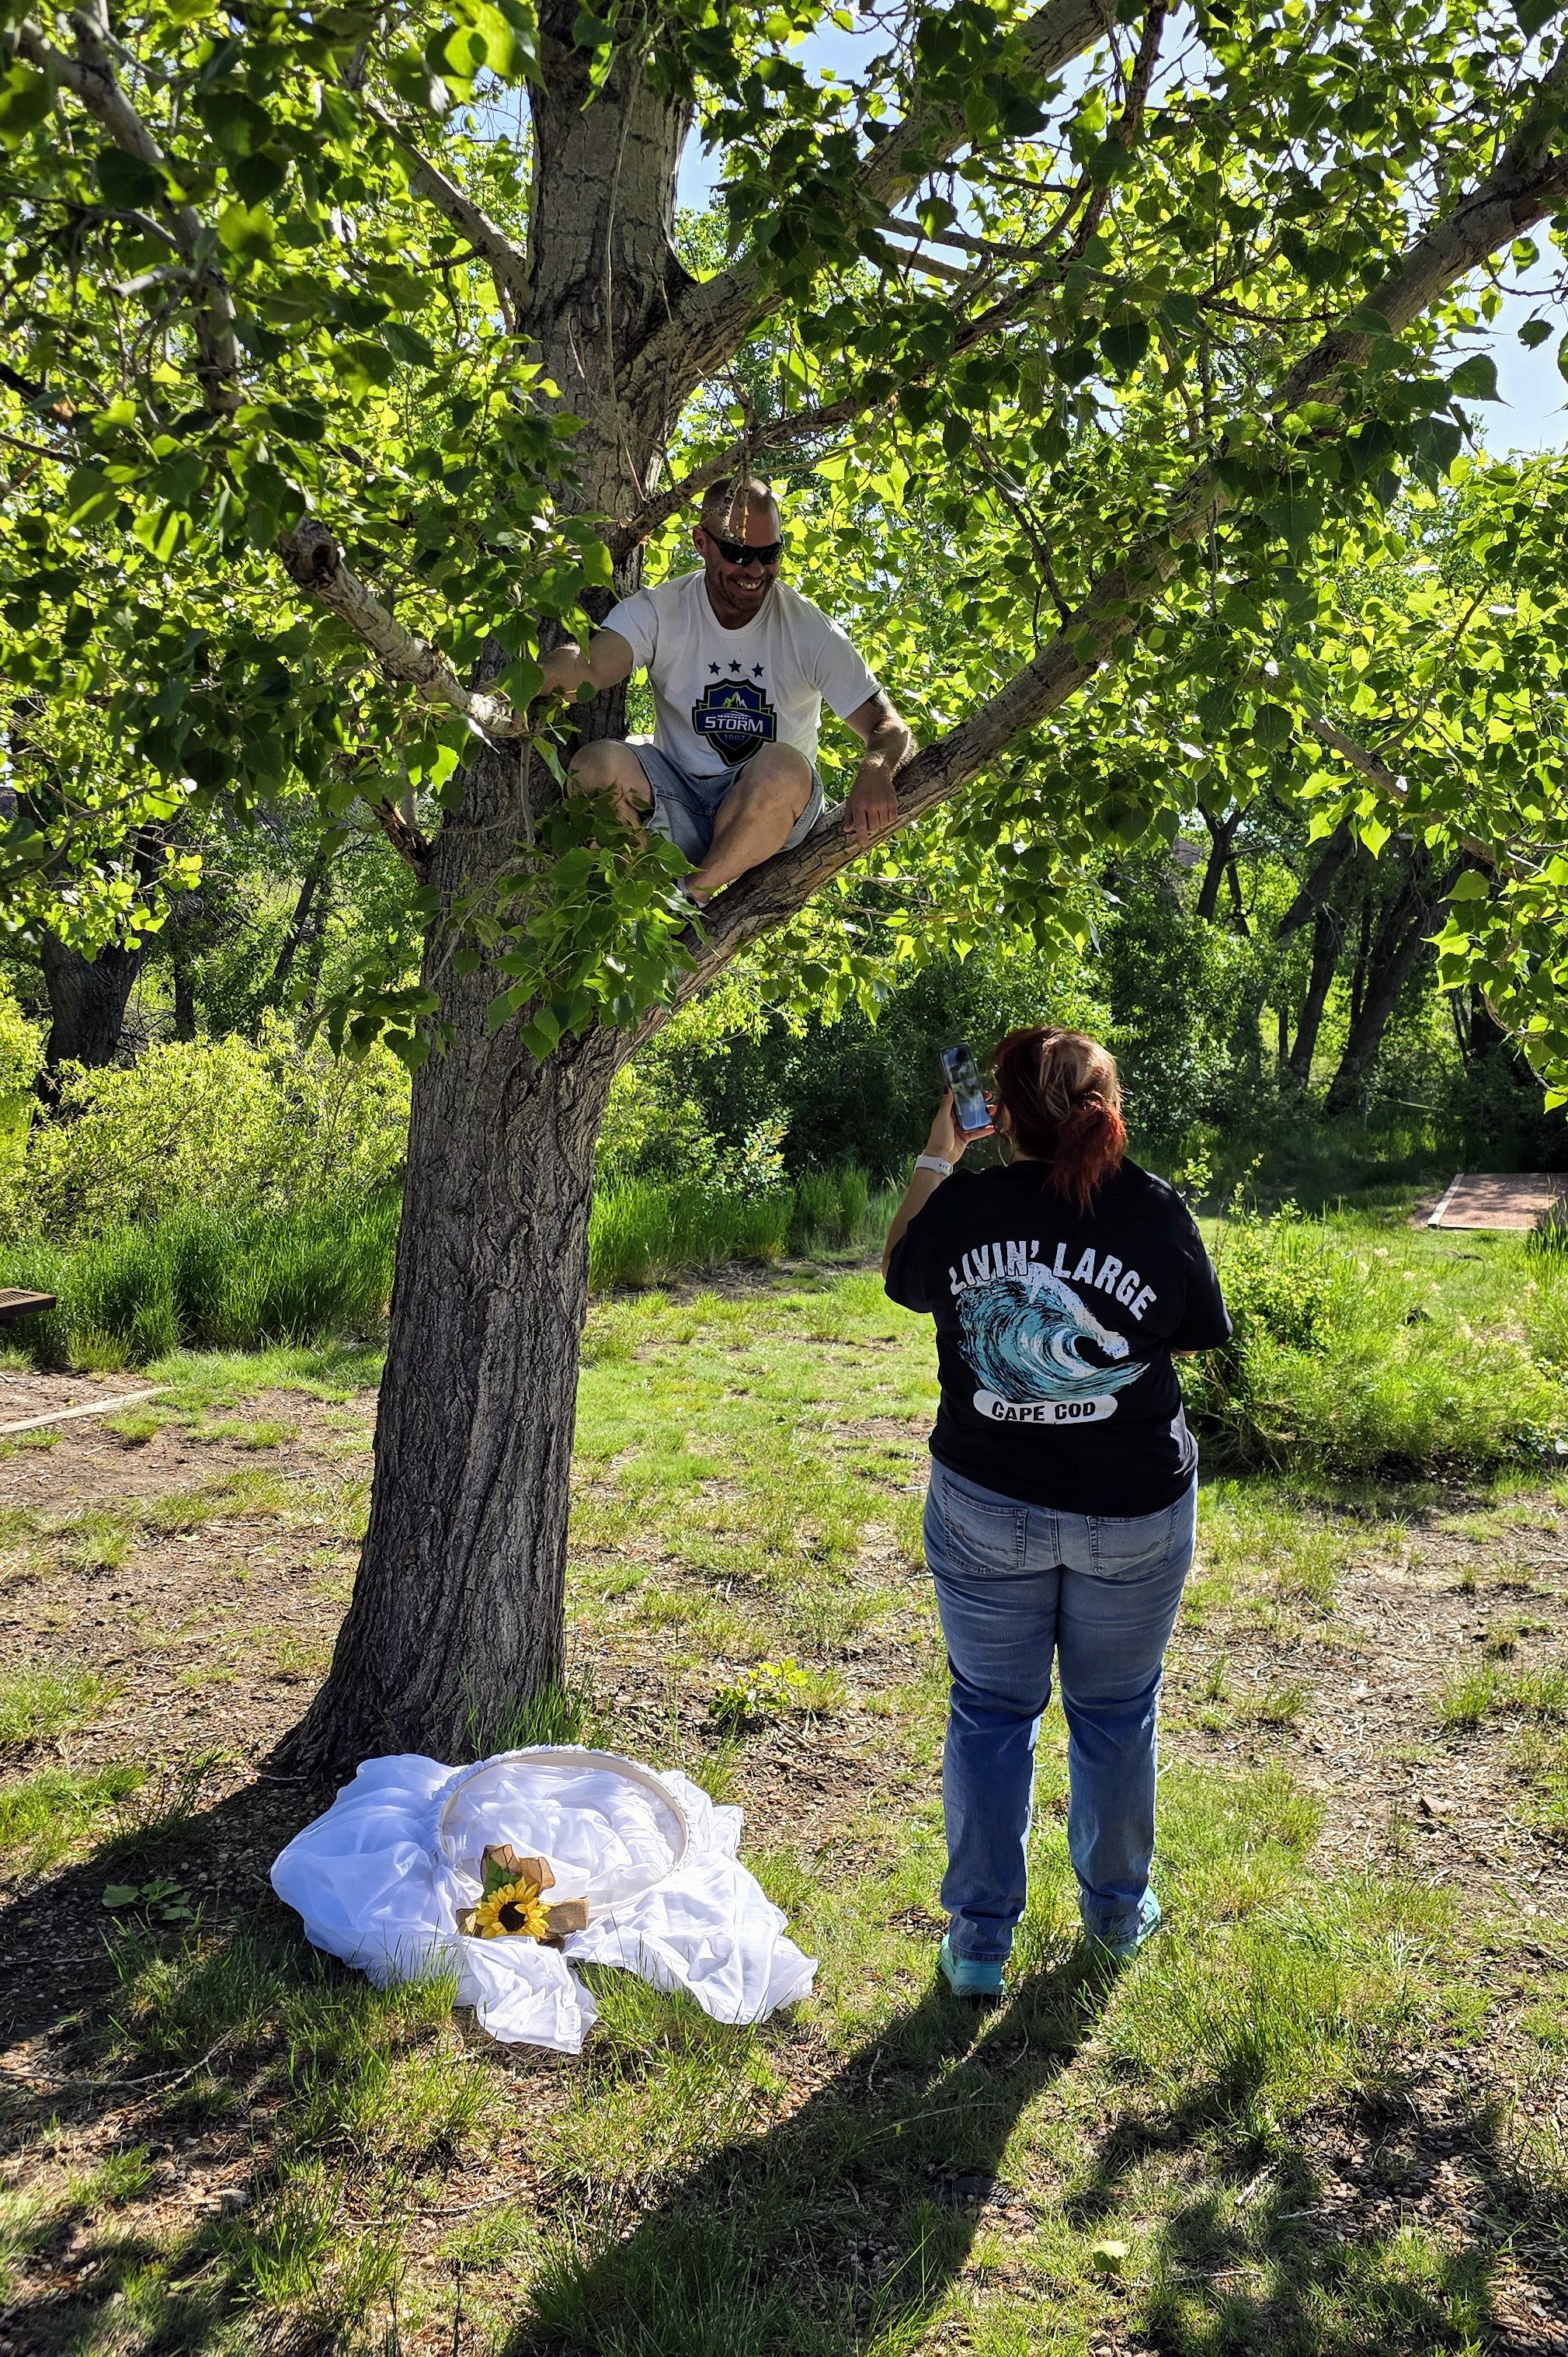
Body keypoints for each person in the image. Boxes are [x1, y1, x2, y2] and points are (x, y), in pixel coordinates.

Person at [881, 1026, 1231, 1994]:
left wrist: (940, 1150)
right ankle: (1115, 1916)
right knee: (1116, 1713)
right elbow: (1195, 1335)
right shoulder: (1154, 1207)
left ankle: (981, 1942)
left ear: (1003, 1114)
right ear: (1105, 1108)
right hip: (1132, 1512)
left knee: (991, 1714)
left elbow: (899, 1269)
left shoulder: (965, 1204)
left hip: (988, 1504)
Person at [536, 475, 913, 901]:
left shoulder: (809, 628)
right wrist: (518, 687)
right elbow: (590, 665)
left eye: (769, 554)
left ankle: (689, 900)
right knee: (595, 768)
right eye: (737, 553)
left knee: (784, 766)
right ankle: (640, 906)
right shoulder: (662, 610)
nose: (755, 570)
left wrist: (876, 772)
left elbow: (888, 726)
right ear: (701, 543)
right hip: (677, 798)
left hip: (766, 810)